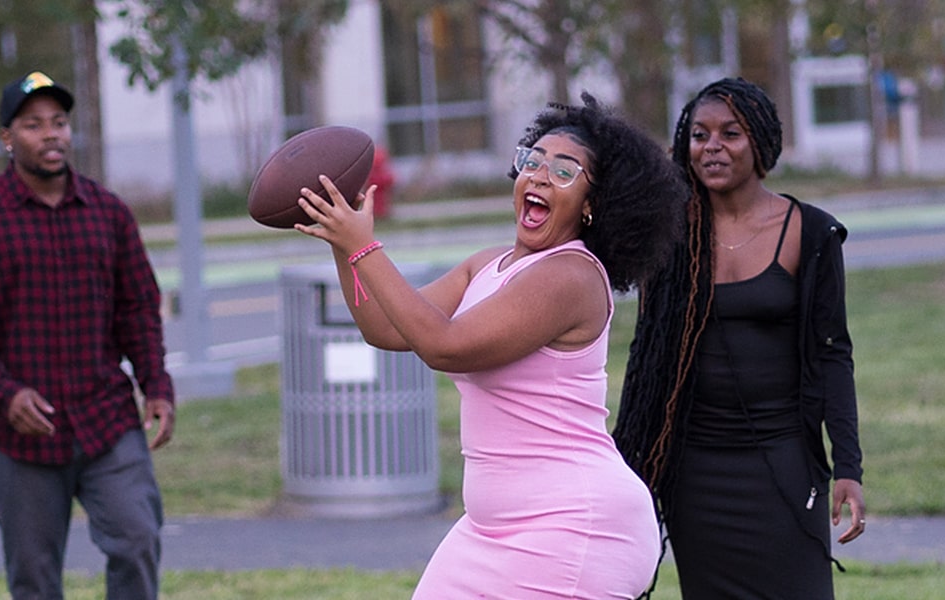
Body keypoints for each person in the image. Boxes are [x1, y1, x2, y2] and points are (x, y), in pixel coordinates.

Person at [293, 94, 684, 598]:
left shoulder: (571, 276)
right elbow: (385, 328)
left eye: (564, 172)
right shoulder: (488, 265)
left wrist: (365, 247)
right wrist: (341, 243)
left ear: (592, 206)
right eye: (532, 161)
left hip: (573, 528)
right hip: (489, 531)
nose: (539, 176)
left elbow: (444, 347)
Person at [612, 77, 867, 598]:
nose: (712, 147)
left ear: (761, 143)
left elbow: (833, 354)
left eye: (731, 134)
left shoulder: (809, 232)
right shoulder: (670, 235)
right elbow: (646, 353)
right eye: (700, 135)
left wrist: (848, 465)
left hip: (784, 461)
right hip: (696, 474)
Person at [0, 71, 176, 600]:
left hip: (105, 420)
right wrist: (5, 395)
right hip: (21, 433)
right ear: (7, 138)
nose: (50, 134)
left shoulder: (108, 214)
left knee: (137, 540)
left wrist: (156, 385)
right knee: (33, 578)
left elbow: (138, 308)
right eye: (33, 125)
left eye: (60, 122)